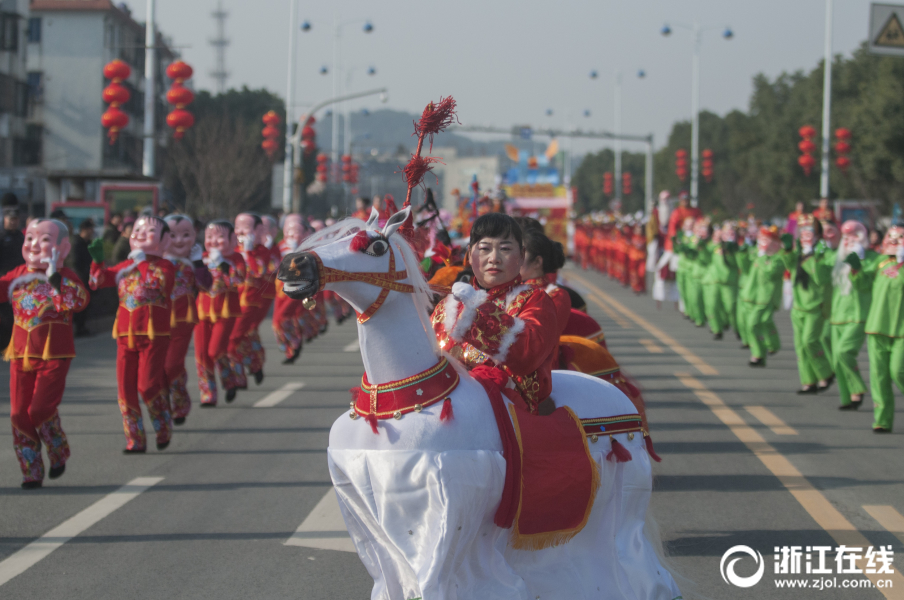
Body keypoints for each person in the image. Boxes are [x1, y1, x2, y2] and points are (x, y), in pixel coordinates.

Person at [431, 213, 559, 415]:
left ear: (522, 256)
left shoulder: (534, 300)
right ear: (469, 254)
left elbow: (527, 355)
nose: (494, 258)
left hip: (510, 410)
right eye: (484, 249)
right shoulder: (448, 306)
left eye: (506, 249)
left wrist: (478, 310)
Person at [0, 219, 89, 488]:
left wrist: (55, 278)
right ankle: (31, 470)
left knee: (40, 409)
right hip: (20, 355)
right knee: (17, 414)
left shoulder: (66, 276)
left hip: (54, 355)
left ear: (63, 247)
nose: (35, 245)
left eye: (45, 239)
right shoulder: (17, 275)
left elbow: (80, 302)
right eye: (29, 238)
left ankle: (57, 449)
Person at [88, 216, 175, 453]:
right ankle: (135, 439)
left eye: (148, 231)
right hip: (125, 335)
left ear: (164, 240)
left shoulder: (166, 266)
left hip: (153, 336)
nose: (139, 234)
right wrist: (97, 262)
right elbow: (97, 282)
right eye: (136, 230)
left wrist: (142, 262)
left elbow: (158, 285)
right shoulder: (124, 267)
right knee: (125, 390)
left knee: (147, 386)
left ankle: (162, 424)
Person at [823, 221, 877, 410]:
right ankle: (848, 398)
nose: (849, 241)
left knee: (844, 352)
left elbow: (864, 284)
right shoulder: (837, 257)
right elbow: (820, 267)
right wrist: (823, 242)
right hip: (838, 313)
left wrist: (858, 266)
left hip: (859, 313)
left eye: (854, 236)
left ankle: (857, 390)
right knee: (837, 359)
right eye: (846, 237)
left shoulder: (872, 258)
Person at [163, 215, 211, 424]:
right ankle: (164, 406)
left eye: (186, 235)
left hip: (183, 319)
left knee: (172, 364)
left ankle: (180, 402)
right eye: (172, 235)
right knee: (157, 369)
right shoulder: (154, 261)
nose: (179, 240)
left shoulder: (193, 264)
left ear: (194, 236)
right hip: (153, 322)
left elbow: (206, 285)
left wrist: (198, 262)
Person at [781, 215, 834, 394]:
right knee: (800, 347)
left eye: (809, 231)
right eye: (801, 231)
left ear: (818, 234)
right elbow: (789, 267)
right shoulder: (800, 251)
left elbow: (821, 279)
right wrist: (788, 250)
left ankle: (826, 373)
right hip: (799, 306)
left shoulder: (823, 252)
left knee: (809, 341)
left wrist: (812, 256)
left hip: (815, 305)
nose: (804, 234)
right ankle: (808, 382)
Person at [195, 221, 246, 406]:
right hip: (202, 311)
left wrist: (224, 265)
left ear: (232, 239)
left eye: (220, 237)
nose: (213, 241)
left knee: (215, 350)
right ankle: (208, 393)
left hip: (226, 312)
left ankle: (229, 379)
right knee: (201, 354)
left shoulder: (236, 258)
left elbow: (239, 279)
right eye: (209, 237)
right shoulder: (201, 257)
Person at [229, 213, 279, 389]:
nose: (241, 231)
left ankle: (238, 377)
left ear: (259, 230)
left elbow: (259, 271)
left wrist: (249, 252)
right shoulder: (232, 249)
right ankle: (255, 364)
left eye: (246, 227)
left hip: (252, 301)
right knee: (247, 334)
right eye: (237, 227)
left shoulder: (262, 251)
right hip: (229, 302)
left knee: (234, 337)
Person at [864, 224, 904, 433]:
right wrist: (855, 267)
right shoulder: (879, 262)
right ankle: (882, 420)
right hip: (877, 327)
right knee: (879, 376)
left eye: (900, 237)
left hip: (901, 331)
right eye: (891, 236)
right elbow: (861, 283)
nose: (894, 240)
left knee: (898, 371)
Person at [737, 226, 786, 367]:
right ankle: (768, 348)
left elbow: (771, 273)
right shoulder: (756, 253)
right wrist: (742, 254)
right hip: (751, 295)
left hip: (766, 297)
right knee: (762, 322)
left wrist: (763, 257)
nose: (762, 242)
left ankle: (758, 354)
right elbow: (745, 268)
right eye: (761, 238)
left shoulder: (779, 257)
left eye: (767, 239)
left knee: (754, 324)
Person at [272, 214, 307, 363]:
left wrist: (297, 253)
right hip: (280, 288)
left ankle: (295, 343)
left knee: (281, 318)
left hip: (298, 287)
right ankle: (291, 348)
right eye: (288, 230)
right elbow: (272, 266)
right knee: (277, 321)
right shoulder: (280, 246)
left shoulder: (309, 247)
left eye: (296, 230)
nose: (291, 234)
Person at [0, 193, 25, 349]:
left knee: (17, 316)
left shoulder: (21, 238)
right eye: (11, 219)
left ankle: (15, 345)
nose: (14, 222)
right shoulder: (1, 237)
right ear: (5, 219)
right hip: (4, 281)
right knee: (5, 316)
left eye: (16, 220)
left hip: (20, 283)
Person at [71, 219, 95, 337]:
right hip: (80, 279)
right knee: (79, 305)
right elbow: (75, 263)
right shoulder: (76, 243)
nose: (92, 231)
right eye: (90, 229)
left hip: (88, 278)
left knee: (86, 305)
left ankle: (82, 326)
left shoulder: (88, 243)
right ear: (84, 230)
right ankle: (79, 327)